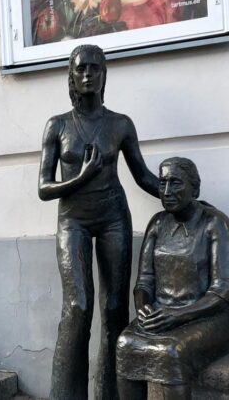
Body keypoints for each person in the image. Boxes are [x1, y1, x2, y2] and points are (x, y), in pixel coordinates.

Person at [38, 44, 159, 399]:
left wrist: (179, 196)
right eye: (81, 69)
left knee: (114, 307)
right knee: (78, 306)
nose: (88, 75)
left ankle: (111, 394)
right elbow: (45, 188)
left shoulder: (120, 124)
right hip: (72, 221)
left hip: (113, 218)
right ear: (71, 76)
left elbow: (143, 176)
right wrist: (82, 177)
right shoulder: (57, 126)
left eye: (94, 68)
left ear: (104, 75)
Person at [116, 157, 229, 400]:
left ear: (195, 188)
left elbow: (222, 291)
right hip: (162, 315)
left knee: (171, 351)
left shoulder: (215, 223)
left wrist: (179, 315)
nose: (167, 191)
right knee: (125, 343)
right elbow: (144, 281)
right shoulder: (158, 223)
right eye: (162, 184)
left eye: (175, 183)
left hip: (210, 317)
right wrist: (144, 310)